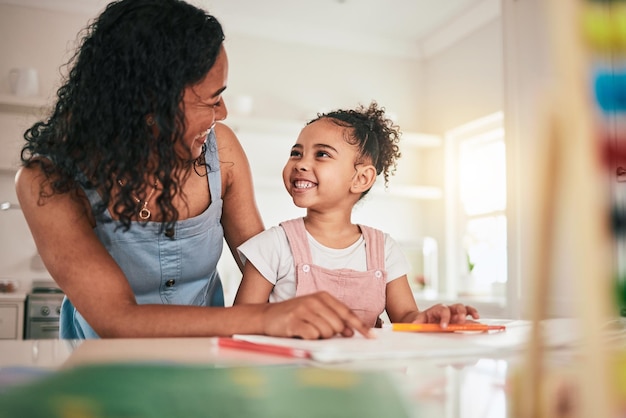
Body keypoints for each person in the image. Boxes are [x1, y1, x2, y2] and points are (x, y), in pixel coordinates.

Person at [14, 0, 371, 340]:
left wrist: (357, 308)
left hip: (204, 365)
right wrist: (264, 318)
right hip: (103, 375)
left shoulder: (222, 149)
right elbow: (116, 318)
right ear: (151, 104)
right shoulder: (47, 181)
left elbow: (265, 270)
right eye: (212, 99)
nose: (223, 113)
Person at [234, 102, 479, 328]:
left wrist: (428, 318)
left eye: (322, 154)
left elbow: (406, 318)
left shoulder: (385, 250)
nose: (300, 163)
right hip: (290, 375)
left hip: (367, 374)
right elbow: (240, 322)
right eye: (296, 153)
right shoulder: (273, 245)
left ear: (361, 178)